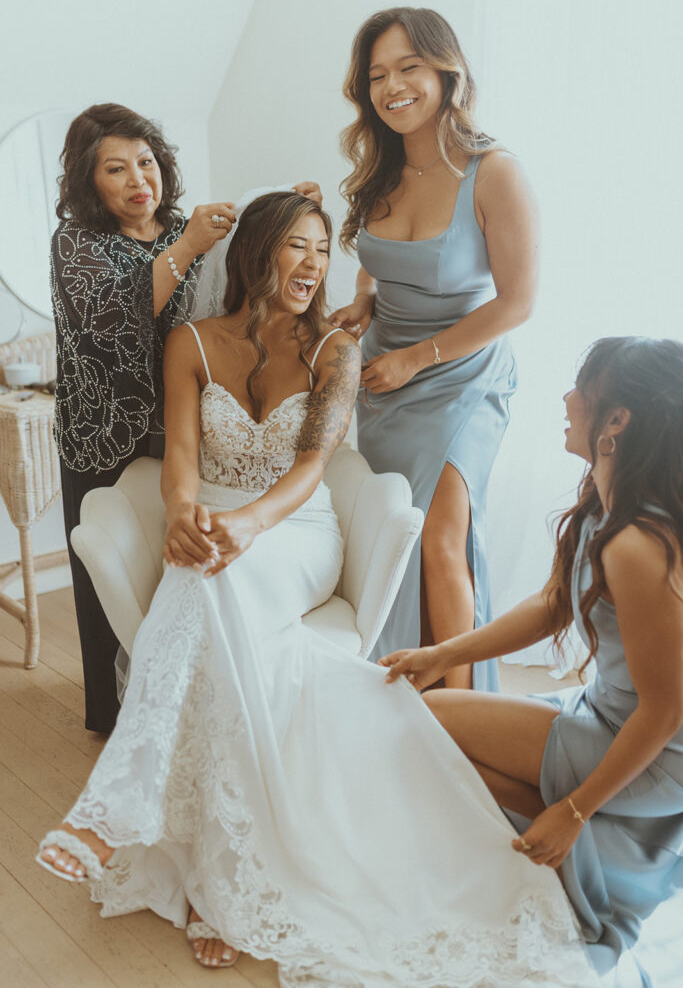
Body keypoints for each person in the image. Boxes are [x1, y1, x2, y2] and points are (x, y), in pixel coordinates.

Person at [36, 192, 596, 988]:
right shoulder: (192, 342)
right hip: (212, 530)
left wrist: (250, 527)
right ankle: (212, 878)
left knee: (210, 584)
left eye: (321, 249)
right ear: (256, 252)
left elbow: (309, 471)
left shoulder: (333, 349)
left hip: (295, 534)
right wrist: (182, 513)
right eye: (296, 247)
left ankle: (113, 809)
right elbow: (182, 456)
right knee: (204, 588)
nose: (311, 265)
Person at [382, 336, 683, 987]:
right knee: (430, 731)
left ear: (616, 421)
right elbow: (551, 604)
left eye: (581, 387)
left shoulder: (638, 543)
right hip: (610, 716)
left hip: (658, 752)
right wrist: (441, 651)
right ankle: (586, 847)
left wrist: (572, 811)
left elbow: (663, 713)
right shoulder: (606, 504)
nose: (566, 398)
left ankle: (577, 843)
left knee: (430, 721)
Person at [51, 102, 319, 734]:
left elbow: (240, 260)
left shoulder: (183, 227)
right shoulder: (77, 243)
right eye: (116, 169)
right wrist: (191, 243)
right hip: (101, 433)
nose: (138, 179)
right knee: (107, 566)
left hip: (176, 428)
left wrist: (281, 206)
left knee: (165, 561)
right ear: (90, 181)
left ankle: (174, 689)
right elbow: (114, 318)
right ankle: (114, 711)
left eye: (146, 162)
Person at [331, 7, 539, 688]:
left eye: (408, 68)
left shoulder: (495, 171)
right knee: (399, 536)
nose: (392, 87)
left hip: (463, 376)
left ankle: (466, 718)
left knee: (443, 541)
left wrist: (417, 359)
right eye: (377, 75)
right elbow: (375, 253)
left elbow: (517, 302)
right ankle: (404, 689)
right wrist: (363, 302)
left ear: (445, 70)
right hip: (383, 377)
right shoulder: (379, 170)